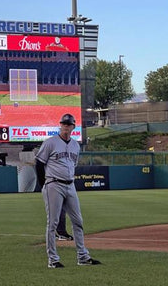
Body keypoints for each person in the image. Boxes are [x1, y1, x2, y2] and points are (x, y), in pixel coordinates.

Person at [35, 113, 101, 268]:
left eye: (68, 124)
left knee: (78, 221)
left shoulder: (75, 145)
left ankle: (83, 257)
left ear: (73, 127)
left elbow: (73, 165)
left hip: (70, 185)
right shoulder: (50, 142)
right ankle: (53, 260)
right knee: (52, 223)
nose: (65, 126)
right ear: (60, 125)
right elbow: (38, 163)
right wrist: (43, 183)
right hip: (54, 184)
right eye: (63, 124)